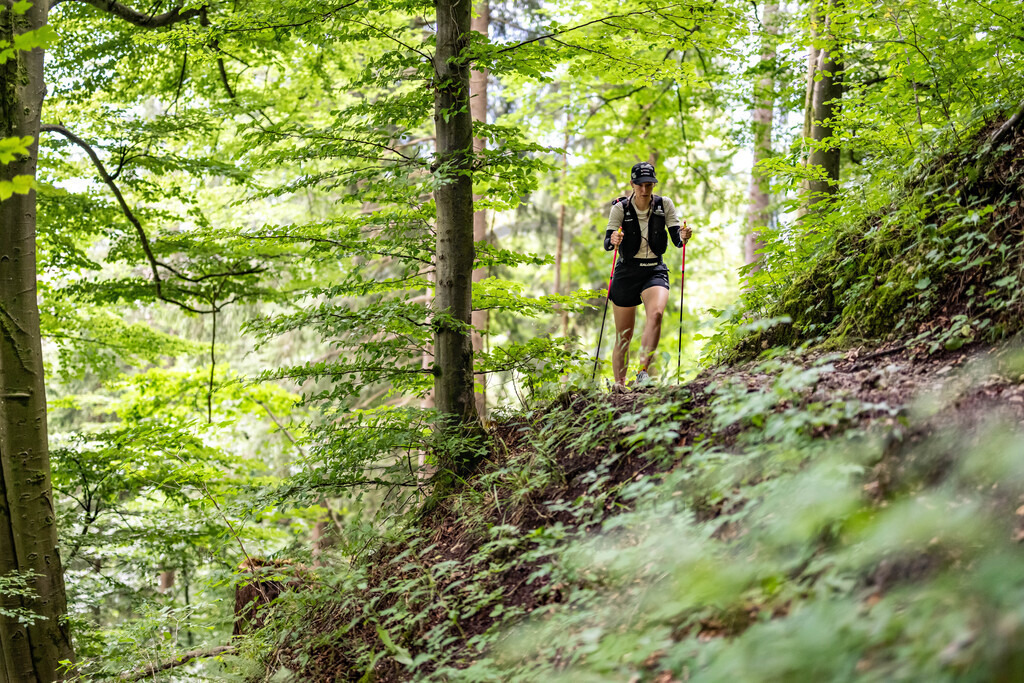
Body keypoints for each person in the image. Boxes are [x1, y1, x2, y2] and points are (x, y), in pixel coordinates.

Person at [604, 161, 691, 389]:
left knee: (657, 314)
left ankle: (642, 372)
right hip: (626, 271)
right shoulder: (620, 208)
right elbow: (607, 241)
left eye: (649, 184)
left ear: (653, 185)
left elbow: (676, 240)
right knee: (624, 334)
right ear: (632, 184)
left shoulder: (665, 205)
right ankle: (620, 384)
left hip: (654, 269)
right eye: (640, 184)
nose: (645, 189)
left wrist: (683, 235)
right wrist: (613, 240)